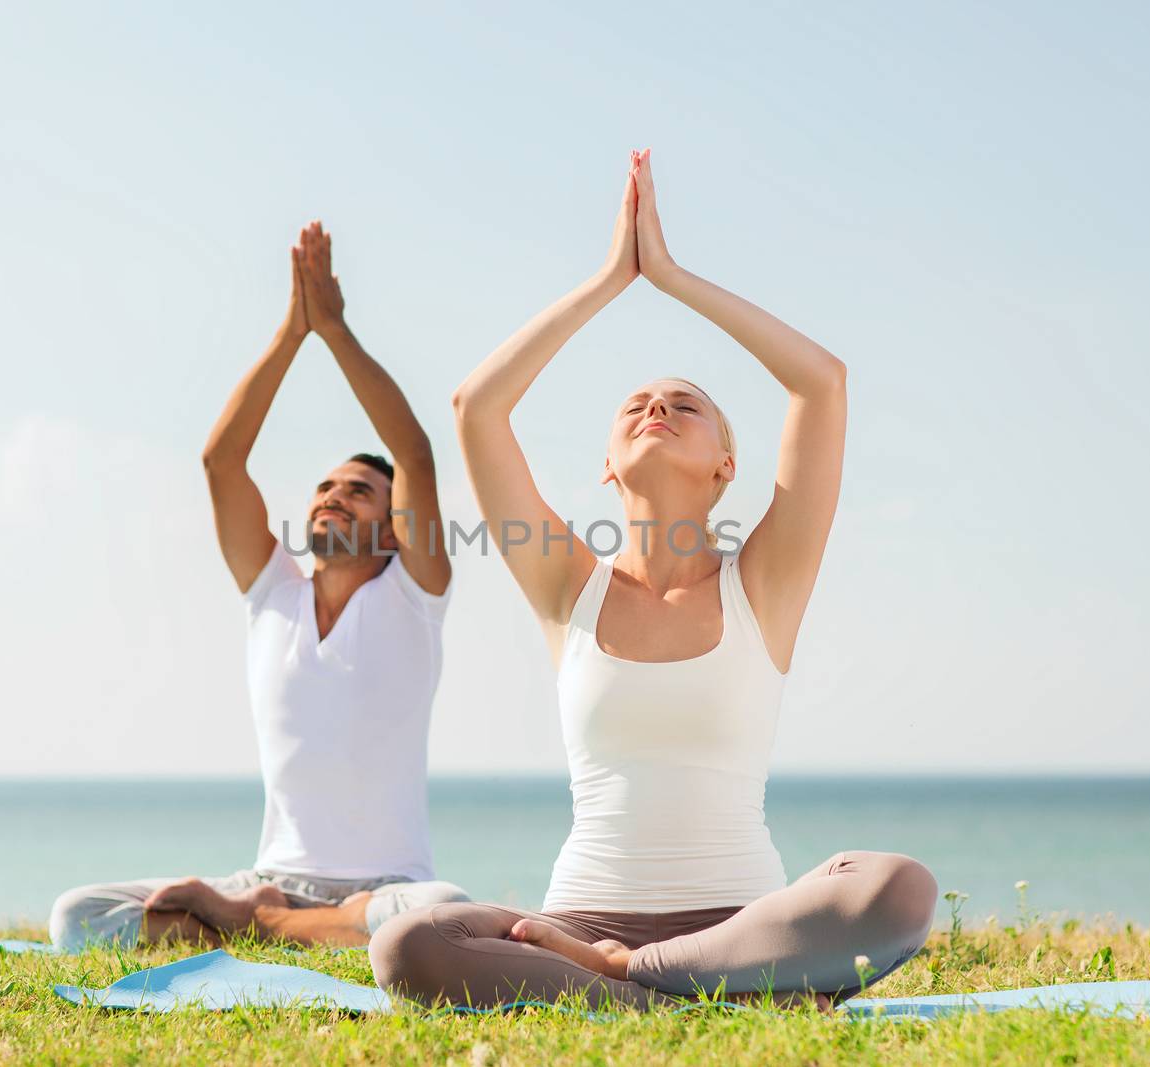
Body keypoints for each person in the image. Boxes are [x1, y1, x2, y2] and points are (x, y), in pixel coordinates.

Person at [369, 150, 937, 1009]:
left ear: (725, 466)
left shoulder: (764, 585)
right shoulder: (569, 587)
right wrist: (608, 279)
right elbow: (476, 407)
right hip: (579, 920)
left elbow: (820, 383)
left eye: (686, 404)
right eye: (634, 405)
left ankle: (638, 984)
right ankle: (707, 998)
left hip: (740, 925)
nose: (655, 408)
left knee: (897, 884)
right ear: (607, 466)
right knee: (409, 942)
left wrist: (669, 276)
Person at [49, 220, 469, 952]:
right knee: (77, 915)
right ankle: (277, 918)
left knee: (443, 910)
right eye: (324, 486)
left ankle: (259, 927)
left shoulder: (413, 594)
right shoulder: (272, 592)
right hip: (268, 873)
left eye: (359, 491)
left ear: (396, 525)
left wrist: (333, 330)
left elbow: (414, 451)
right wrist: (290, 332)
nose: (333, 496)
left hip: (384, 885)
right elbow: (221, 461)